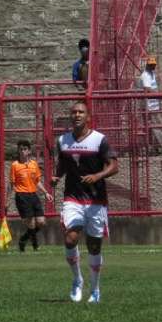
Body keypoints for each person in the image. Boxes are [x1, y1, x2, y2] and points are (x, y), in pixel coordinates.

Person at [51, 101, 118, 304]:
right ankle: (77, 280)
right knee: (71, 238)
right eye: (74, 112)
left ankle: (95, 289)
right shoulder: (63, 141)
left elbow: (114, 166)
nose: (77, 115)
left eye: (81, 112)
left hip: (96, 199)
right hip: (72, 197)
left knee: (94, 245)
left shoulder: (99, 140)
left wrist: (97, 176)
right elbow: (63, 164)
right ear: (70, 117)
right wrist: (57, 177)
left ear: (88, 117)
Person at [5, 140, 52, 251]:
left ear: (29, 151)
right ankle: (35, 247)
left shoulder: (33, 164)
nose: (22, 151)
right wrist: (7, 200)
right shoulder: (15, 165)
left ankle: (23, 239)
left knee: (41, 222)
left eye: (25, 149)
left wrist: (46, 193)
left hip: (33, 195)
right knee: (31, 224)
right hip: (22, 196)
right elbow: (11, 184)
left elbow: (37, 181)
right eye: (20, 149)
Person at [138, 56, 162, 151]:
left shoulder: (151, 74)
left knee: (155, 126)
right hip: (149, 106)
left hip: (154, 105)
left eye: (154, 65)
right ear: (147, 65)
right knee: (156, 126)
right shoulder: (146, 75)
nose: (153, 67)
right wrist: (159, 94)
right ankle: (159, 147)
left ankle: (155, 147)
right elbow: (147, 90)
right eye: (151, 65)